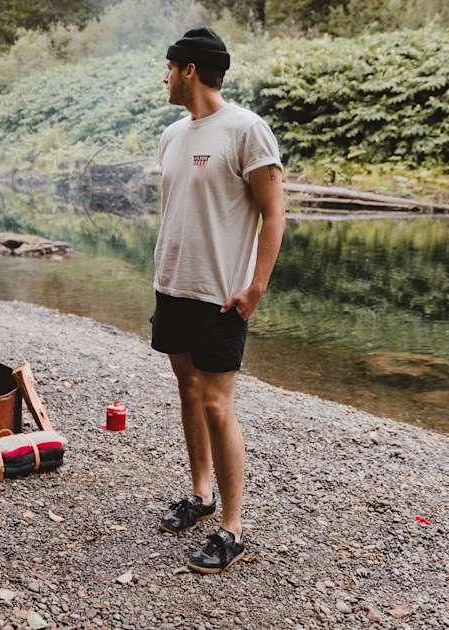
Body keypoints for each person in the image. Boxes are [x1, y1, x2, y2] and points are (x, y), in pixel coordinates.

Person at [150, 26, 285, 574]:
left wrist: (257, 286)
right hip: (173, 286)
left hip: (220, 295)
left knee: (216, 404)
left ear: (189, 70)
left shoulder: (246, 130)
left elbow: (274, 212)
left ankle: (232, 528)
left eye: (168, 68)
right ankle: (201, 496)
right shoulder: (171, 135)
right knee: (187, 390)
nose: (163, 78)